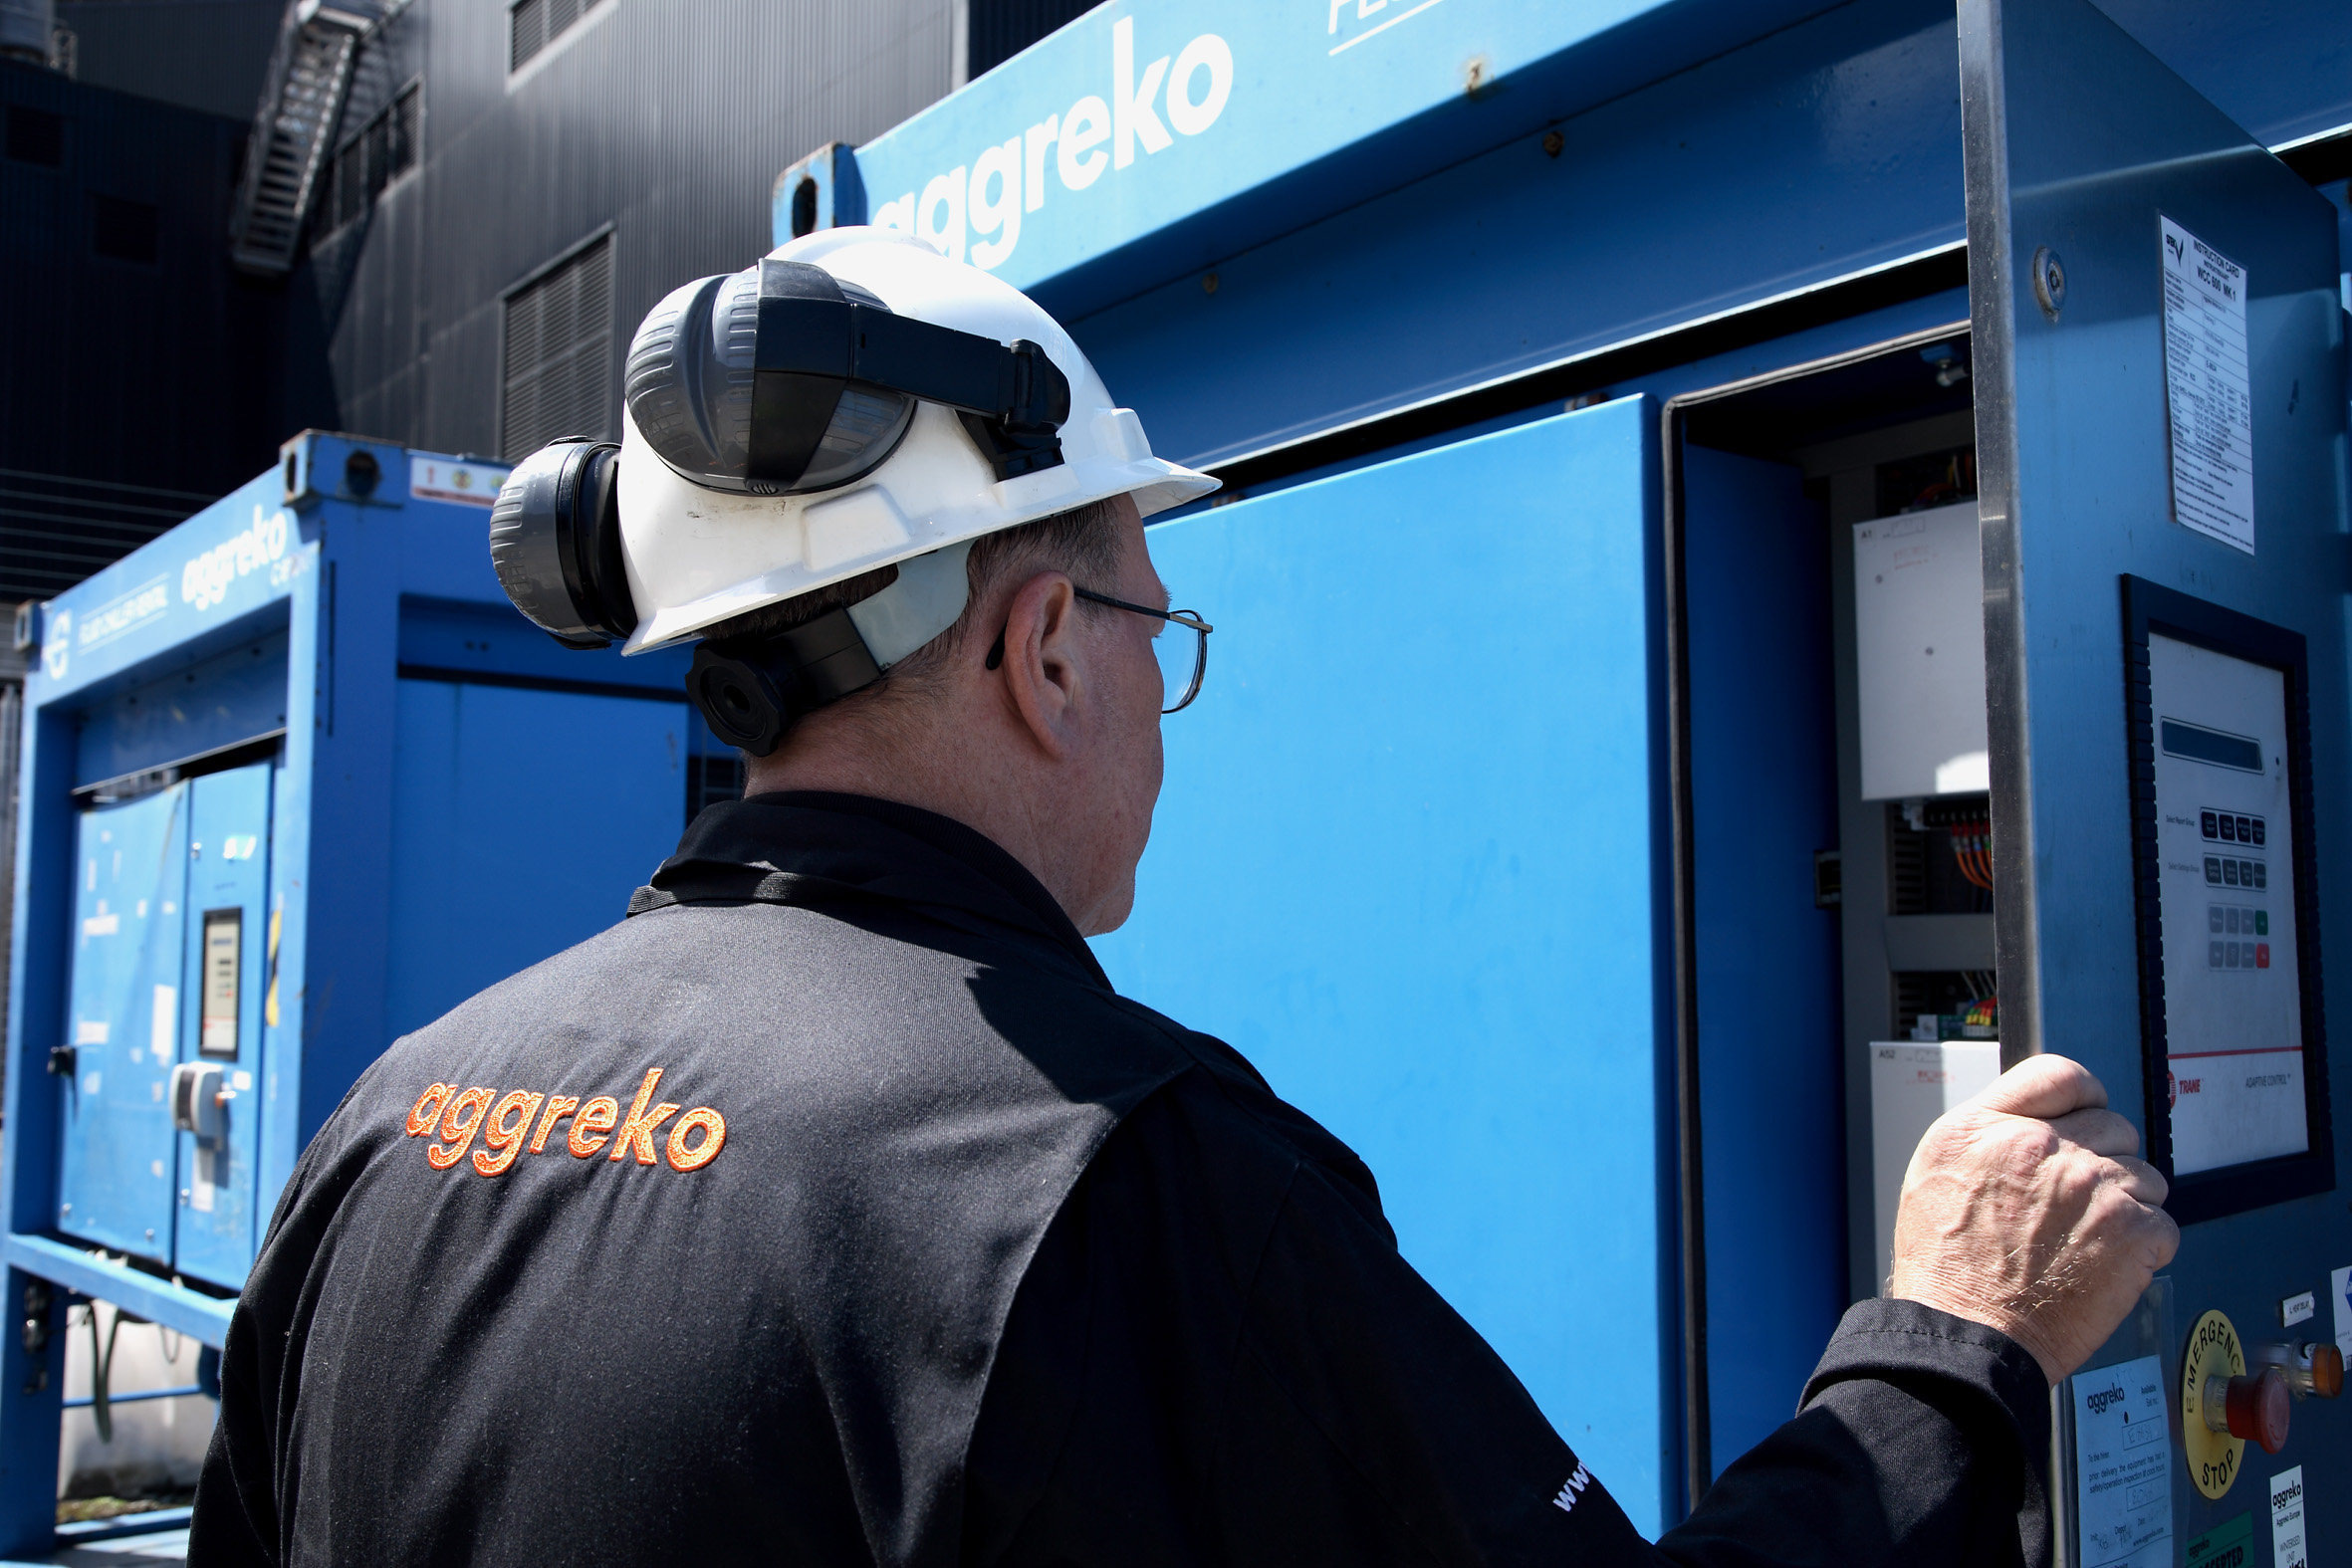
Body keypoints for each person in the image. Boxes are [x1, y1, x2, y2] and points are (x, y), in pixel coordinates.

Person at [188, 231, 2178, 1566]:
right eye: (1152, 617)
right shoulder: (1107, 1175)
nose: (1161, 690)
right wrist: (1950, 1341)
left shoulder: (391, 1128)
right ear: (1044, 647)